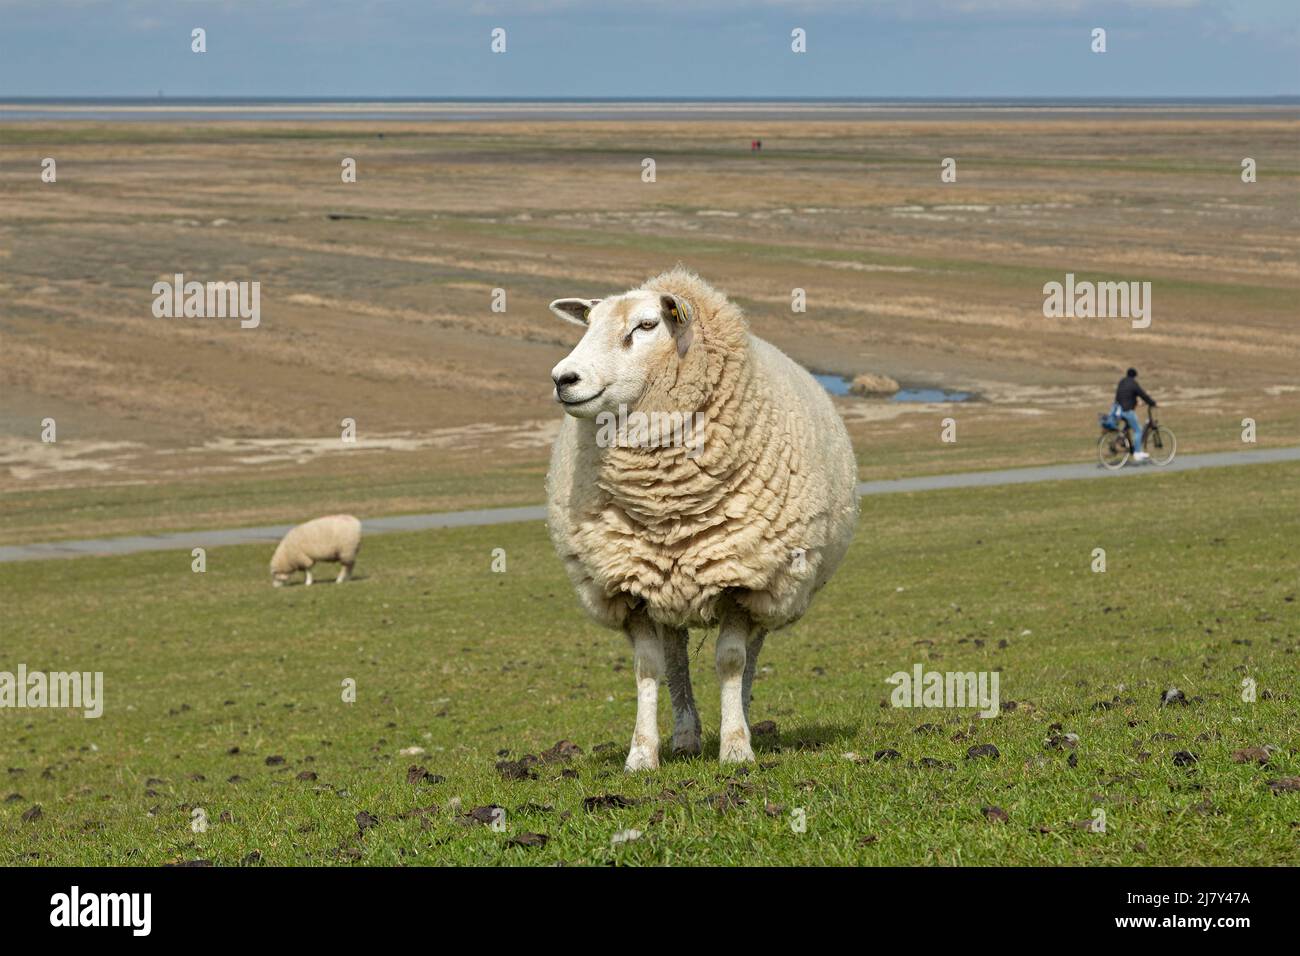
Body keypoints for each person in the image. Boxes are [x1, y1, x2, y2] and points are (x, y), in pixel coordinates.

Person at [1113, 368, 1157, 461]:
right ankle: (1137, 453)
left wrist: (1136, 403)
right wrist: (1152, 403)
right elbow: (1143, 394)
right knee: (1138, 430)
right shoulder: (1133, 383)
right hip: (1127, 410)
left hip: (1119, 410)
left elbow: (1124, 396)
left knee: (1129, 425)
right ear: (1134, 376)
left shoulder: (1122, 382)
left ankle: (1123, 440)